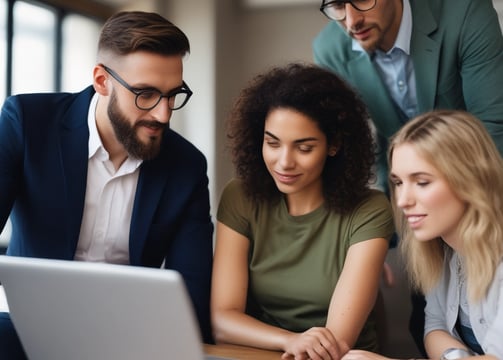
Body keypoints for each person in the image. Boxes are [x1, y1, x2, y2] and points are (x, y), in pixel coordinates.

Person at [0, 10, 214, 358]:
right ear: (102, 80)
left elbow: (192, 291)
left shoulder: (185, 165)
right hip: (27, 328)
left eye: (173, 94)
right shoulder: (26, 122)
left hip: (129, 337)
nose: (163, 114)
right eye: (146, 94)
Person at [312, 0, 503, 354]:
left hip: (479, 202)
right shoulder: (330, 49)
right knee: (425, 320)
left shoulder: (464, 13)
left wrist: (474, 218)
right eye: (336, 5)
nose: (350, 20)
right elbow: (359, 150)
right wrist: (368, 237)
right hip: (440, 220)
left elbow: (493, 131)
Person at [211, 63, 395, 360]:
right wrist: (289, 340)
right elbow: (223, 321)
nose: (284, 162)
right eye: (272, 143)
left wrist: (295, 343)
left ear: (333, 144)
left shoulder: (370, 209)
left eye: (304, 148)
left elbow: (335, 343)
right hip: (264, 354)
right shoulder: (240, 197)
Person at [342, 110, 503, 360]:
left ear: (471, 179)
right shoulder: (444, 249)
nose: (403, 200)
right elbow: (435, 326)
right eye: (398, 183)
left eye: (422, 182)